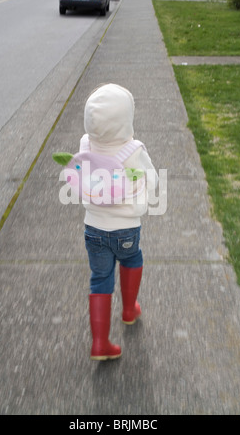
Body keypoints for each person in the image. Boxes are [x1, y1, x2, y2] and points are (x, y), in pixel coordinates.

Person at [80, 83, 158, 361]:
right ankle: (128, 310)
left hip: (94, 228)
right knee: (132, 258)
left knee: (100, 278)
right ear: (127, 119)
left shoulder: (85, 144)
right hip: (125, 227)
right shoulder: (133, 150)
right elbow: (152, 179)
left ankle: (100, 343)